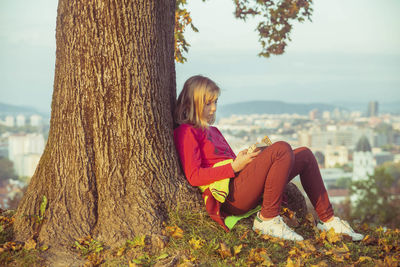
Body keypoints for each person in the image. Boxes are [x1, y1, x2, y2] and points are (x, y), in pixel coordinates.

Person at [173, 75, 364, 242]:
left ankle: (328, 220)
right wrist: (234, 166)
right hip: (231, 196)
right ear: (192, 103)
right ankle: (268, 219)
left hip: (239, 184)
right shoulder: (186, 132)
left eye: (216, 102)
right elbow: (194, 176)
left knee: (304, 154)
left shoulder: (213, 131)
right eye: (208, 103)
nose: (214, 108)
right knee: (281, 148)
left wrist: (247, 158)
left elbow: (230, 162)